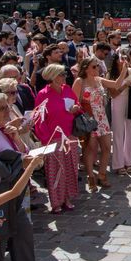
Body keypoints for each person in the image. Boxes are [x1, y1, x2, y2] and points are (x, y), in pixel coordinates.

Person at [73, 58, 127, 191]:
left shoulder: (99, 80)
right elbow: (74, 101)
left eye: (97, 66)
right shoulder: (80, 81)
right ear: (86, 68)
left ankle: (102, 174)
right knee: (90, 149)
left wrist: (124, 70)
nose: (97, 68)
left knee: (107, 147)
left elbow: (116, 84)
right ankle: (91, 176)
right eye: (94, 66)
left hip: (102, 118)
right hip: (89, 119)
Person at [33, 64, 82, 213]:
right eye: (61, 74)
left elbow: (77, 104)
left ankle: (67, 198)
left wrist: (75, 108)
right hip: (52, 138)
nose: (64, 77)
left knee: (70, 168)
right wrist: (46, 139)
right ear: (53, 76)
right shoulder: (43, 94)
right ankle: (56, 202)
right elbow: (38, 118)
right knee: (55, 171)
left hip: (69, 136)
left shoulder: (67, 90)